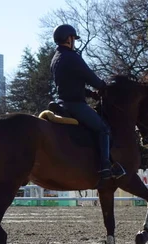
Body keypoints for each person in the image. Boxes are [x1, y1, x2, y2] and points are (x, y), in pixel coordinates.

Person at [50, 24, 125, 181]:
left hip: (62, 103)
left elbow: (70, 83)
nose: (74, 42)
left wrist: (90, 94)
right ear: (69, 38)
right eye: (73, 38)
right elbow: (91, 77)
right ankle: (105, 166)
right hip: (75, 105)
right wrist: (102, 87)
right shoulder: (72, 57)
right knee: (103, 129)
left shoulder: (55, 59)